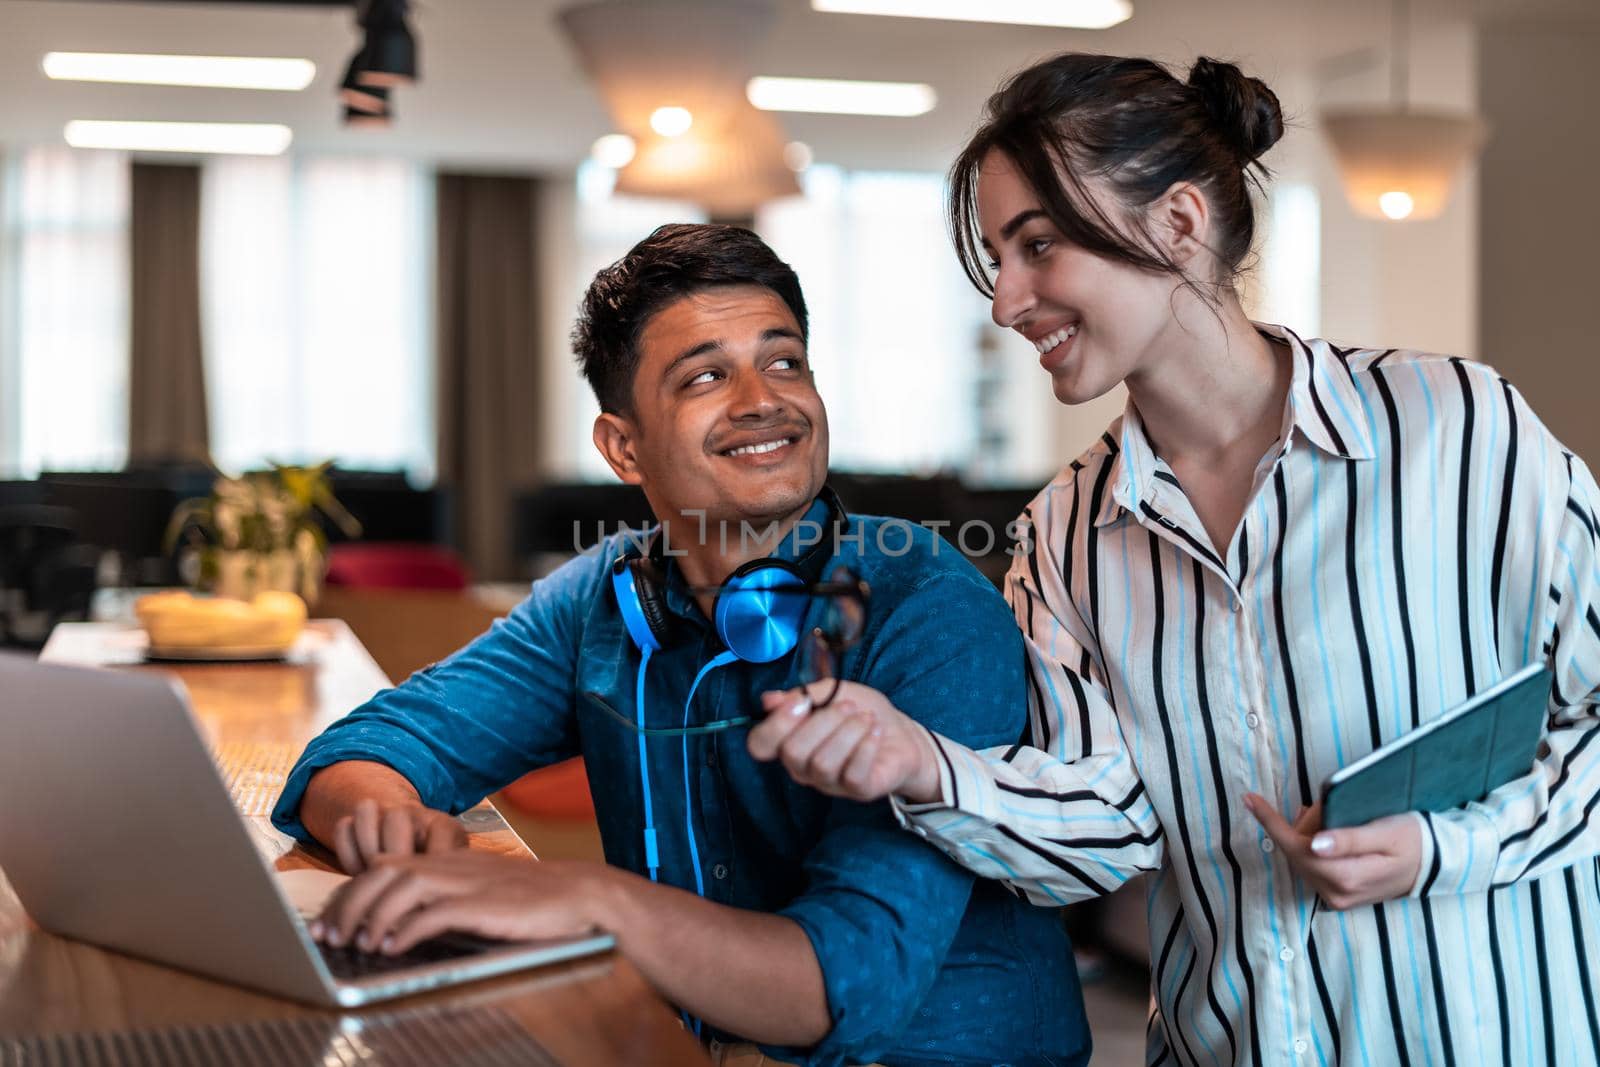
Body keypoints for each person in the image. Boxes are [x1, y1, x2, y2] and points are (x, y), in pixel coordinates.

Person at [749, 52, 1600, 1066]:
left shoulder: (1454, 430)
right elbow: (1105, 823)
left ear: (1181, 223)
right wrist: (919, 761)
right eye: (994, 257)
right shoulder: (1065, 529)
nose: (1006, 300)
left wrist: (1443, 847)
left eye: (1038, 247)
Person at [271, 223, 1090, 1067]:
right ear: (624, 447)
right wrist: (390, 822)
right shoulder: (606, 596)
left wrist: (586, 897)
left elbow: (846, 981)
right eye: (706, 375)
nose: (763, 399)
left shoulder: (928, 608)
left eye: (784, 362)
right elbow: (367, 747)